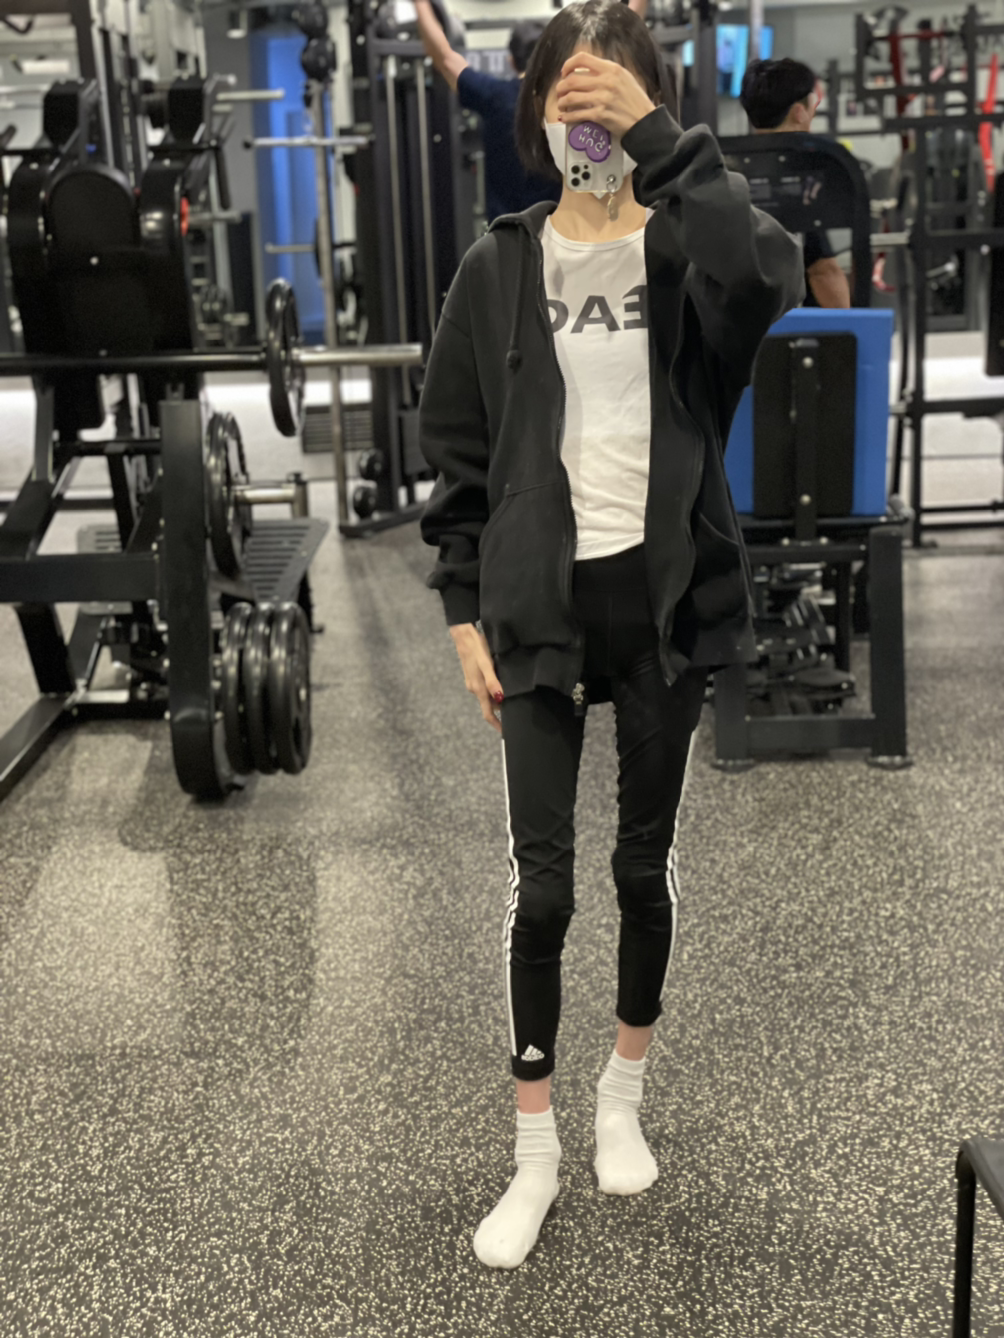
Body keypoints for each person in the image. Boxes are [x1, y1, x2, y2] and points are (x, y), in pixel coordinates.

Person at [419, 0, 803, 1271]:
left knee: (643, 871)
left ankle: (619, 1099)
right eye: (566, 98)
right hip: (537, 609)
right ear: (534, 115)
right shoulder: (498, 265)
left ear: (645, 109)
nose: (584, 120)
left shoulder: (693, 256)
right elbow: (456, 457)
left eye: (609, 98)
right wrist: (460, 612)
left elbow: (767, 272)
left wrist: (659, 141)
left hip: (661, 604)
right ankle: (531, 1149)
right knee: (542, 889)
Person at [414, 0, 647, 220]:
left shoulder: (493, 96)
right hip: (566, 229)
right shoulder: (573, 95)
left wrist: (420, 4)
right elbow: (625, 38)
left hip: (508, 234)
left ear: (511, 61)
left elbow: (445, 59)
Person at [740, 57, 852, 308]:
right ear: (798, 112)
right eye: (813, 100)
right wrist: (850, 326)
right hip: (793, 324)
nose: (816, 106)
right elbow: (822, 272)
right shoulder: (793, 180)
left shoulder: (731, 170)